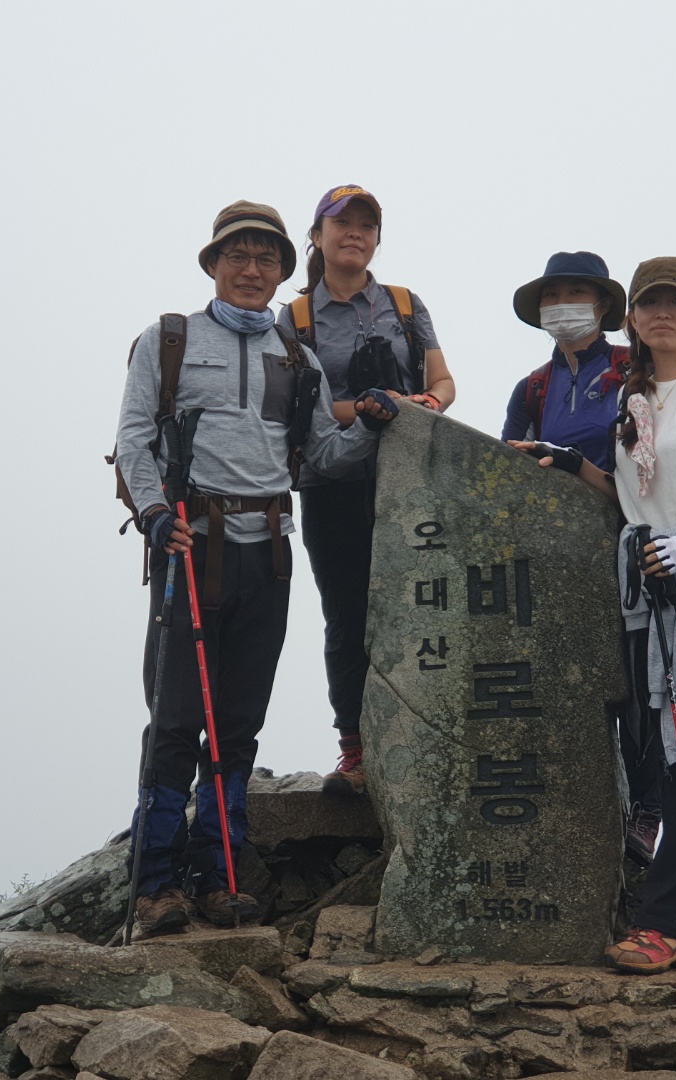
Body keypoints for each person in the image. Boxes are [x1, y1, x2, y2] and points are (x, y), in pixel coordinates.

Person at [115, 200, 398, 935]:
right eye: (237, 256)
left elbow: (322, 453)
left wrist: (371, 424)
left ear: (282, 270)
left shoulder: (296, 357)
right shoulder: (169, 340)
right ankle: (154, 885)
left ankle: (221, 876)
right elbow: (135, 439)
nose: (251, 269)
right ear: (213, 264)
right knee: (176, 720)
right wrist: (155, 514)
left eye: (265, 258)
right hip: (189, 546)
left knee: (238, 724)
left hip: (269, 550)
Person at [515, 257, 676, 972]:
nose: (663, 314)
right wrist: (575, 466)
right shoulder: (635, 396)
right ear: (631, 317)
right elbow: (632, 496)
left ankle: (673, 921)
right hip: (647, 571)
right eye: (650, 303)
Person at [275, 185, 456, 796]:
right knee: (347, 615)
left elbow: (444, 382)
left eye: (366, 224)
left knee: (421, 605)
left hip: (409, 479)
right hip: (332, 483)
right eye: (341, 222)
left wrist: (421, 403)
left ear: (377, 238)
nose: (354, 233)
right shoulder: (295, 319)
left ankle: (427, 733)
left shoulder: (404, 303)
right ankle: (355, 747)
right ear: (316, 237)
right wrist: (371, 409)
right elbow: (301, 409)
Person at [502, 252, 666, 866]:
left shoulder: (633, 371)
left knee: (640, 685)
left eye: (575, 292)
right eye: (551, 295)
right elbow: (508, 467)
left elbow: (651, 473)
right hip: (555, 556)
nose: (561, 305)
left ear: (602, 305)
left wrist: (576, 467)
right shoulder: (532, 388)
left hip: (631, 551)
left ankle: (647, 812)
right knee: (568, 684)